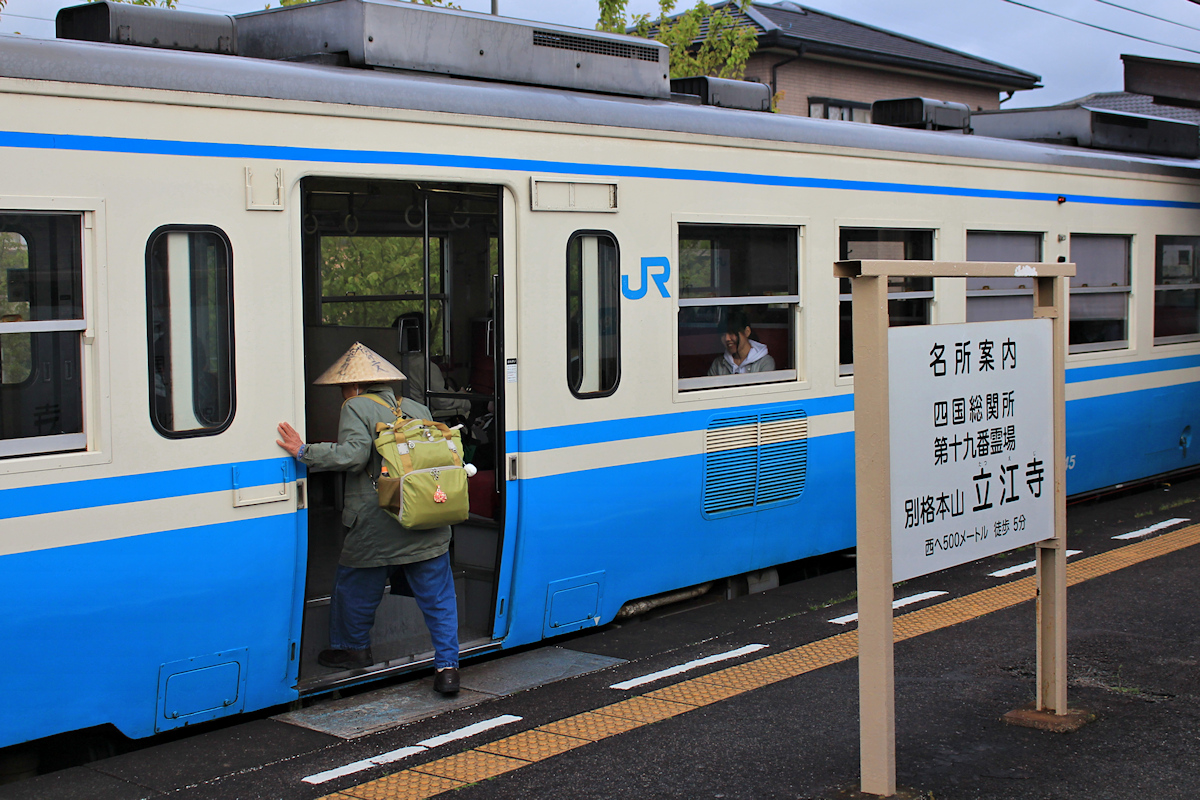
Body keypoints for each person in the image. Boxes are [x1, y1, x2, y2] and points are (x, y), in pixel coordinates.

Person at [275, 342, 460, 695]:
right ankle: (448, 667)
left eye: (343, 387)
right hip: (426, 516)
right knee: (438, 596)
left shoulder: (355, 407)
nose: (342, 393)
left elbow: (353, 456)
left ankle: (355, 650)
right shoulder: (416, 406)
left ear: (355, 385)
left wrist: (303, 451)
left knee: (354, 588)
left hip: (377, 522)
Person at [395, 313, 473, 423]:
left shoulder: (389, 362)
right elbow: (443, 402)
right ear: (423, 336)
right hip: (424, 424)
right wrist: (464, 398)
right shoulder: (424, 366)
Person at [708, 309, 776, 376]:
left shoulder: (764, 362)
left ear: (747, 332)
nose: (727, 339)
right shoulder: (718, 364)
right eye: (722, 335)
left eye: (732, 333)